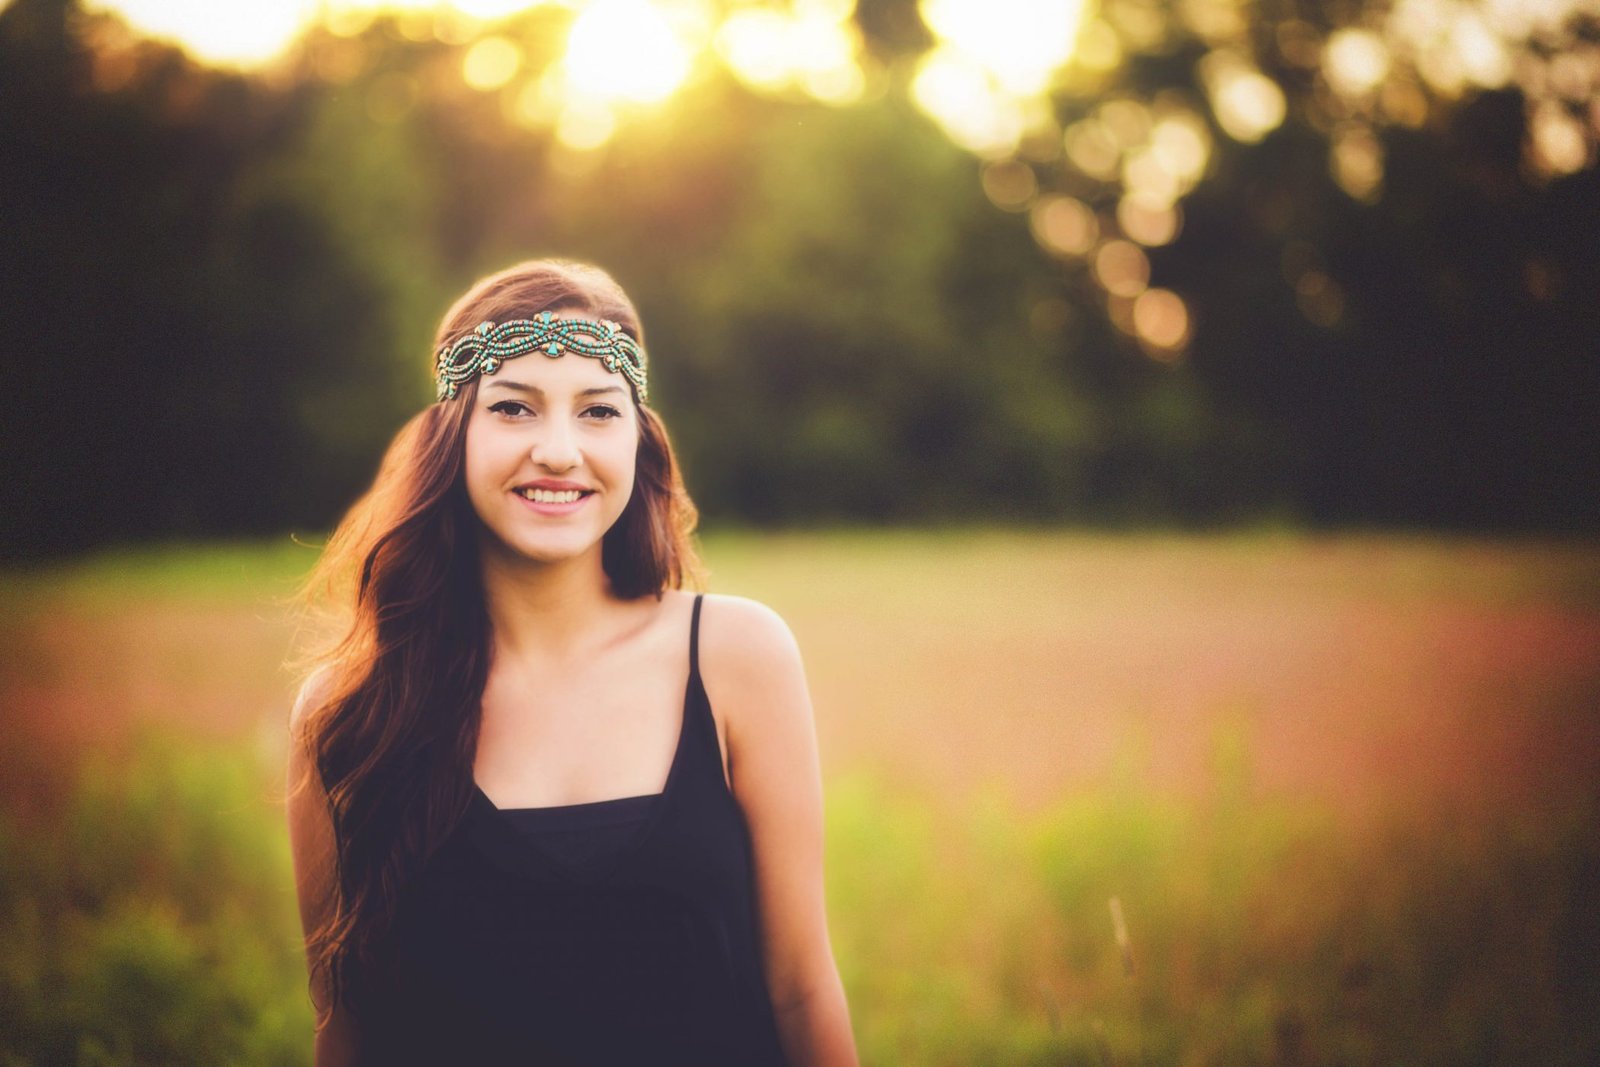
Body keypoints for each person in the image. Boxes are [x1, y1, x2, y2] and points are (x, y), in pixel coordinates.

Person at [285, 259, 858, 1065]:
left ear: (637, 440)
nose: (559, 451)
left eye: (598, 411)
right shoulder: (348, 712)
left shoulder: (736, 658)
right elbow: (346, 1030)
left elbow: (800, 987)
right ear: (453, 437)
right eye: (514, 408)